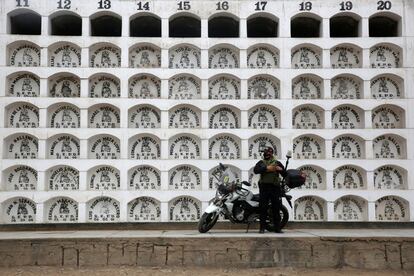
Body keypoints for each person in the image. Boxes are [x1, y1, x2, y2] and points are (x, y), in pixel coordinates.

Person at [253, 147, 286, 233]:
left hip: (275, 188)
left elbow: (284, 174)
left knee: (276, 208)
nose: (267, 154)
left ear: (272, 154)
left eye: (269, 153)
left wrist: (281, 170)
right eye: (266, 153)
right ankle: (262, 228)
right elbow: (256, 170)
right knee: (263, 208)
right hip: (264, 188)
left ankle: (277, 228)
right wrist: (267, 168)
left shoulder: (277, 163)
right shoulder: (261, 162)